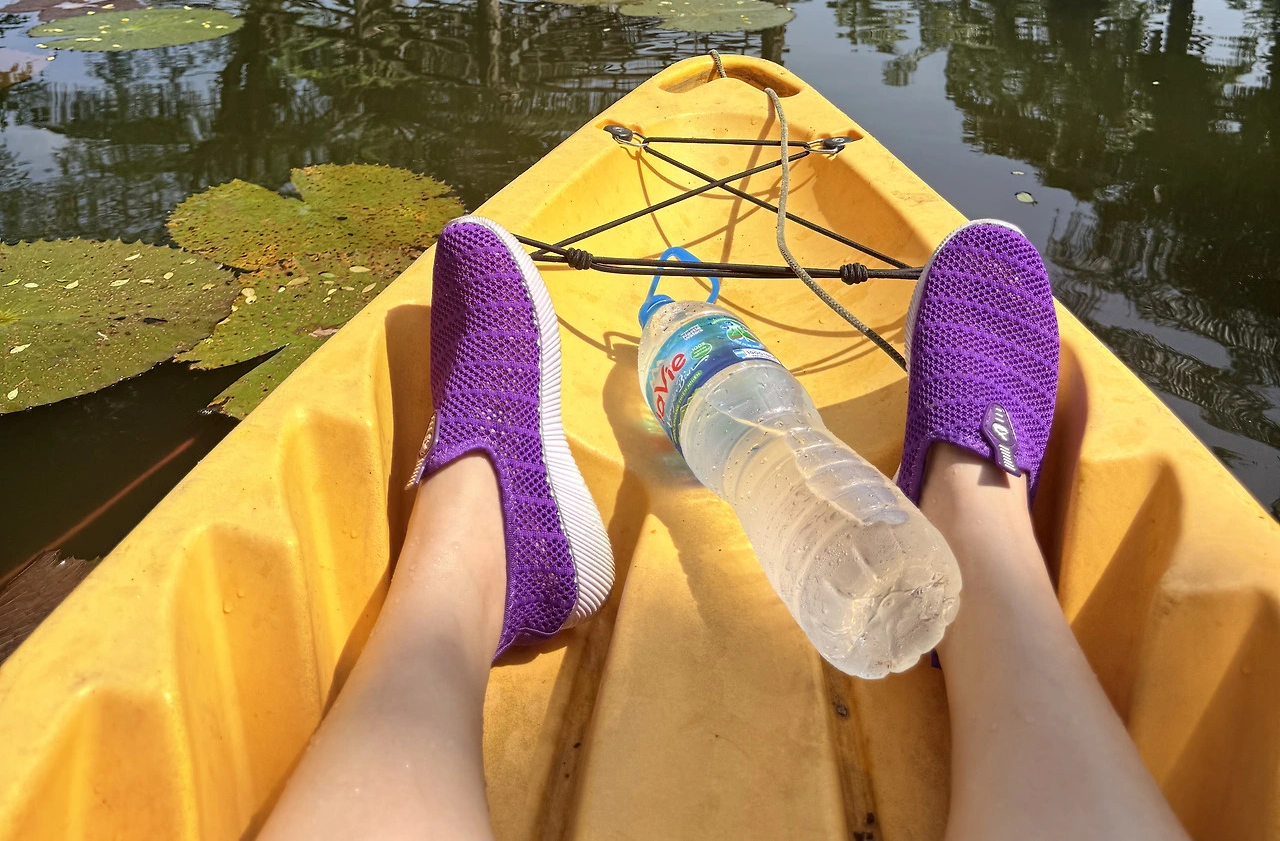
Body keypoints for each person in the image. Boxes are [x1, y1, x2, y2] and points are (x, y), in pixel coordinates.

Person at [260, 217, 1191, 841]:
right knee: (990, 600)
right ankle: (974, 533)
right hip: (771, 460)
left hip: (750, 442)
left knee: (414, 638)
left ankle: (473, 529)